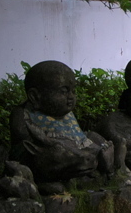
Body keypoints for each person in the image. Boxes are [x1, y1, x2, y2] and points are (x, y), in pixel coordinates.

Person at [10, 60, 125, 190]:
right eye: (64, 91)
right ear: (35, 96)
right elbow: (28, 153)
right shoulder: (23, 115)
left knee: (98, 138)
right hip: (55, 164)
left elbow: (80, 139)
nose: (71, 96)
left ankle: (108, 165)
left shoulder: (66, 113)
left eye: (73, 91)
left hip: (79, 155)